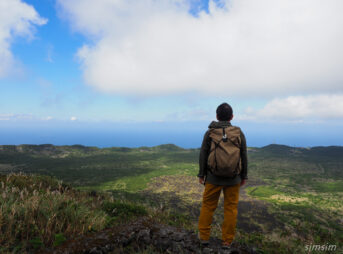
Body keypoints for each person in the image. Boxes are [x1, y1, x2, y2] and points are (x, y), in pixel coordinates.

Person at [197, 102, 248, 250]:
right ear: (232, 116)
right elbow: (244, 155)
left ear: (217, 116)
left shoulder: (210, 132)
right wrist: (243, 176)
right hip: (234, 178)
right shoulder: (238, 133)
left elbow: (203, 154)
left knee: (208, 206)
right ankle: (226, 242)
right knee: (230, 209)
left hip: (213, 177)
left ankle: (204, 238)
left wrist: (202, 174)